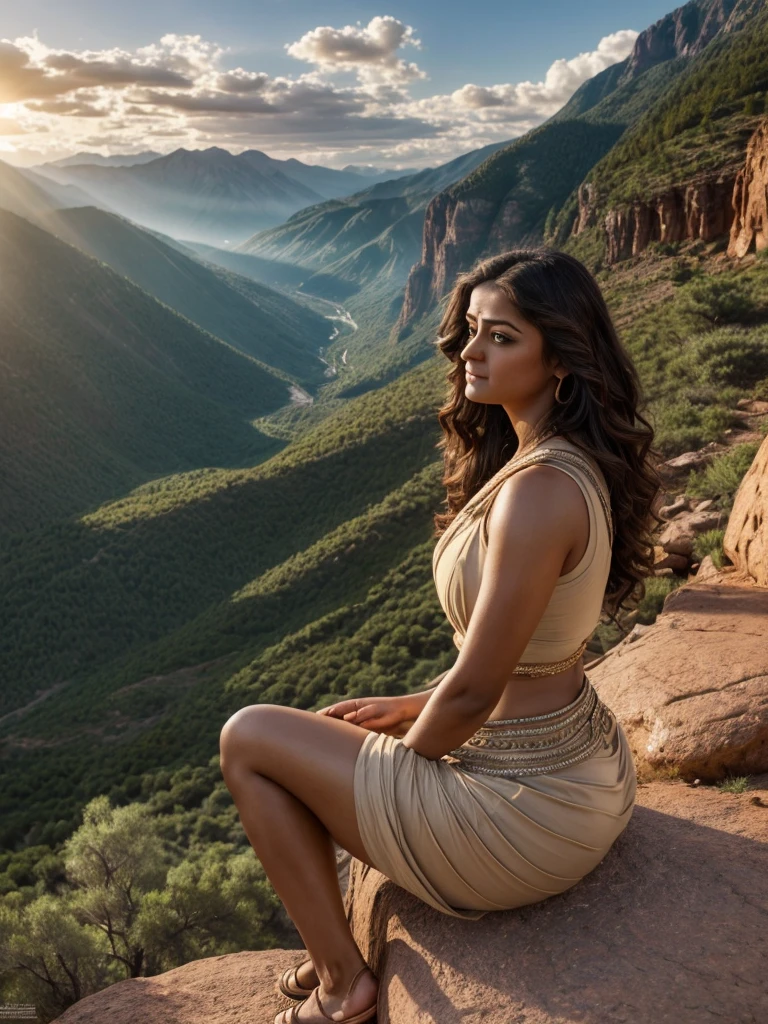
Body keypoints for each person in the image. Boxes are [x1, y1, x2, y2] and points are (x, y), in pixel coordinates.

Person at [218, 247, 664, 1024]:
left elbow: (474, 692)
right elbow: (533, 650)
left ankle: (340, 982)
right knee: (319, 735)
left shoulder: (537, 494)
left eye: (500, 337)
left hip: (526, 814)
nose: (468, 351)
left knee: (248, 739)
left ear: (560, 359)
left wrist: (396, 763)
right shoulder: (561, 463)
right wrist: (405, 704)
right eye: (470, 331)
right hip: (579, 769)